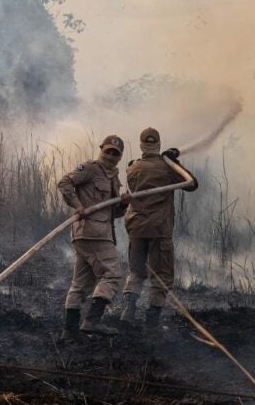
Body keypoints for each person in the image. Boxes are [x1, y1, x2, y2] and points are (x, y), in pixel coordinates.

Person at [120, 127, 198, 330]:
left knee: (136, 271)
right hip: (159, 229)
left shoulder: (132, 167)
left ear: (141, 145)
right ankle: (152, 321)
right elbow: (192, 184)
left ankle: (128, 309)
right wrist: (174, 161)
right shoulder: (167, 168)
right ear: (159, 144)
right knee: (161, 275)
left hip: (136, 227)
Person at [58, 135, 130, 338]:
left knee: (81, 283)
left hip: (94, 234)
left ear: (120, 156)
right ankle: (92, 321)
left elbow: (112, 213)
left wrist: (124, 203)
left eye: (115, 153)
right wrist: (78, 205)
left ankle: (69, 331)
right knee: (113, 273)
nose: (110, 156)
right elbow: (64, 183)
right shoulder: (90, 169)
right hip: (92, 235)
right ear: (101, 150)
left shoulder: (114, 179)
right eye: (108, 151)